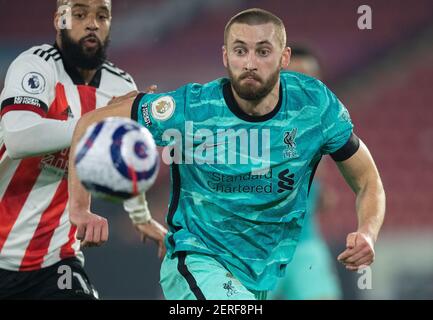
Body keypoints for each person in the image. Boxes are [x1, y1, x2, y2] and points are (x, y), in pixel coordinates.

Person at [67, 8, 386, 300]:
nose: (250, 63)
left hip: (259, 277)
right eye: (240, 51)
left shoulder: (315, 107)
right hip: (197, 261)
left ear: (284, 57)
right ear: (225, 56)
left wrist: (368, 233)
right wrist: (81, 208)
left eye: (263, 51)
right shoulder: (191, 108)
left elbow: (368, 180)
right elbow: (90, 123)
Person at [0, 0, 166, 299]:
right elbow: (17, 137)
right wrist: (95, 124)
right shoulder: (35, 65)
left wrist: (140, 215)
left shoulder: (120, 86)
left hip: (56, 259)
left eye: (102, 16)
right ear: (59, 20)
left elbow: (126, 160)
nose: (92, 23)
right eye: (79, 14)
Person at [269, 46, 342, 300]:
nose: (304, 85)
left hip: (305, 245)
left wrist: (319, 196)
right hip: (258, 248)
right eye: (294, 77)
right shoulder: (252, 126)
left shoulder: (325, 126)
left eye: (311, 78)